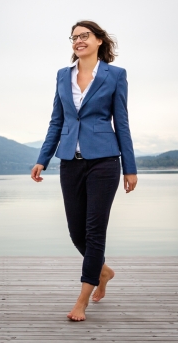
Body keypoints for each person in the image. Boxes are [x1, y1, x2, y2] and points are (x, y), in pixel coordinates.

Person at [30, 20, 138, 321]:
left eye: (84, 36)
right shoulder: (63, 76)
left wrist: (130, 167)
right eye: (74, 37)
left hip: (104, 160)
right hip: (70, 162)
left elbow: (122, 122)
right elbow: (57, 121)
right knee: (76, 231)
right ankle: (103, 272)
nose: (78, 41)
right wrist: (43, 158)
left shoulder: (115, 75)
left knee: (94, 231)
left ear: (99, 40)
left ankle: (82, 298)